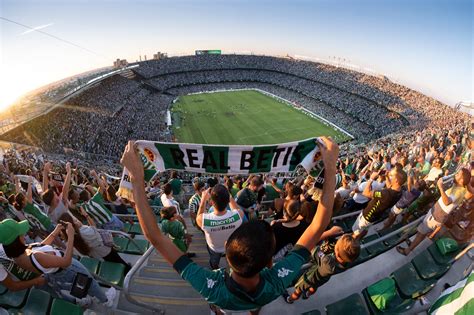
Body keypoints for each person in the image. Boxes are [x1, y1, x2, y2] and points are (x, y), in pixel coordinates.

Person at [119, 136, 338, 313]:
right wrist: (330, 168)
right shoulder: (276, 282)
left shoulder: (209, 287)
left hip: (223, 303)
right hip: (258, 299)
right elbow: (318, 225)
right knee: (254, 307)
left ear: (229, 250)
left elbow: (155, 237)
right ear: (268, 263)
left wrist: (138, 180)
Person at [0, 219, 116, 307]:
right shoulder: (36, 257)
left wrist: (56, 231)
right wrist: (71, 237)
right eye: (21, 233)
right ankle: (106, 300)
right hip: (68, 269)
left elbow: (41, 246)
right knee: (89, 281)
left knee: (85, 284)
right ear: (16, 240)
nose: (24, 234)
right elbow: (66, 262)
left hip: (57, 273)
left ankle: (95, 296)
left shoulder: (18, 256)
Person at [397, 168, 471, 256]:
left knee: (422, 232)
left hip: (437, 215)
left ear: (462, 180)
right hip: (436, 213)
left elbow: (447, 202)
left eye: (458, 174)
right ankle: (413, 244)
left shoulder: (459, 191)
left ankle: (407, 250)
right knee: (423, 232)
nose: (455, 174)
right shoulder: (458, 187)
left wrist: (440, 187)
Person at [283, 234, 360, 303]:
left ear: (337, 252)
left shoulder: (327, 261)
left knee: (298, 291)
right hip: (323, 279)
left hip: (310, 278)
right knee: (314, 287)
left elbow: (316, 251)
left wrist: (327, 234)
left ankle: (290, 299)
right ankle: (307, 294)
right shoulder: (346, 263)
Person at [58, 213, 131, 273]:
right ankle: (127, 270)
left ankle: (121, 271)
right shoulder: (84, 231)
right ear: (73, 225)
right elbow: (94, 228)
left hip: (96, 254)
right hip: (104, 249)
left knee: (111, 262)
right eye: (76, 220)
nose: (78, 221)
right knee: (117, 259)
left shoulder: (69, 240)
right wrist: (86, 216)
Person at [196, 184, 245, 269]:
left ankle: (215, 267)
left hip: (214, 248)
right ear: (227, 201)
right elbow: (238, 210)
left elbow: (198, 216)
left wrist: (203, 199)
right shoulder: (238, 216)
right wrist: (229, 197)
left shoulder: (205, 220)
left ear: (211, 202)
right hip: (230, 246)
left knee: (214, 261)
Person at [352, 167, 407, 240]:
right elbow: (390, 187)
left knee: (355, 232)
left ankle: (351, 244)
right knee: (365, 229)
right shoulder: (399, 191)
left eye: (391, 175)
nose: (390, 176)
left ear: (396, 180)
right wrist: (387, 177)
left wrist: (371, 179)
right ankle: (360, 239)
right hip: (376, 216)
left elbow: (366, 192)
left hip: (367, 216)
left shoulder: (386, 194)